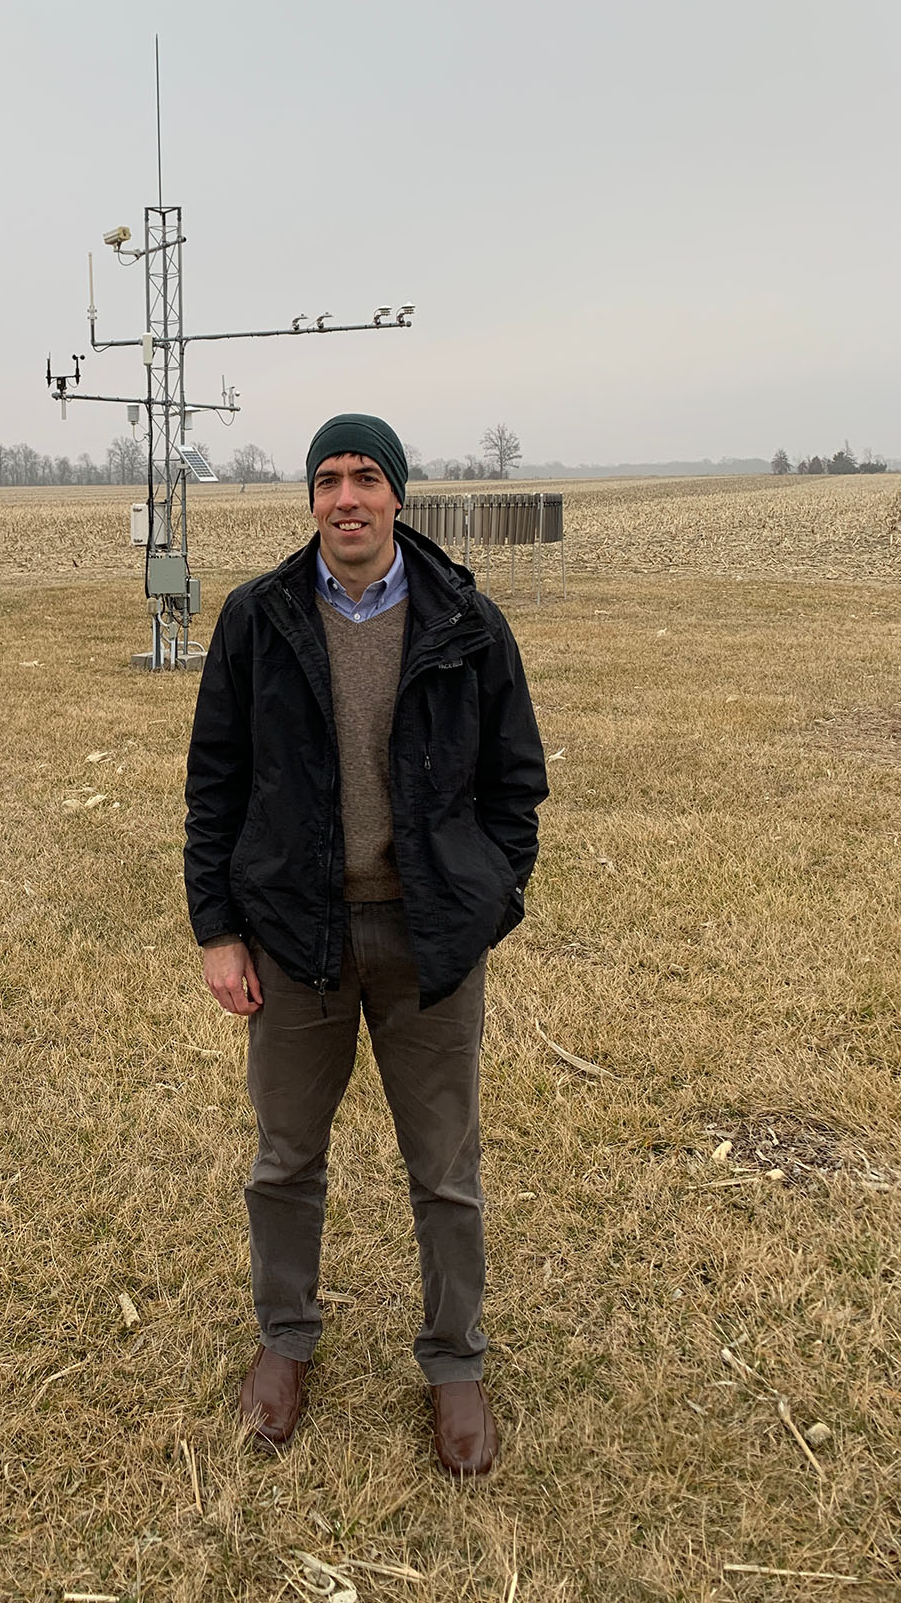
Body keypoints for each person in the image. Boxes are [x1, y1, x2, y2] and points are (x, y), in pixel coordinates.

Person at [183, 413, 547, 1476]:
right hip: (297, 934)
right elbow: (215, 784)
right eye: (329, 479)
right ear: (310, 500)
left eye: (367, 477)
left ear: (399, 495)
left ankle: (455, 1364)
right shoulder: (258, 619)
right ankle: (284, 1343)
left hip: (428, 935)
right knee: (286, 1159)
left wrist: (491, 899)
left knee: (445, 1168)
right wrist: (218, 930)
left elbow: (515, 785)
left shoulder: (468, 620)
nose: (347, 496)